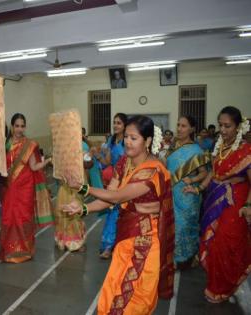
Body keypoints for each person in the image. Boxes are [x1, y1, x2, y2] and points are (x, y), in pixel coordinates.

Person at [62, 115, 174, 315]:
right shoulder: (124, 162)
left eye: (134, 138)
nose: (128, 142)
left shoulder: (153, 171)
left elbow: (116, 196)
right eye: (127, 137)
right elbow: (109, 198)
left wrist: (82, 188)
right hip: (126, 235)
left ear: (147, 141)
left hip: (145, 241)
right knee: (113, 290)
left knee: (134, 299)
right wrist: (84, 209)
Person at [185, 106, 250, 303]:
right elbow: (214, 173)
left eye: (227, 126)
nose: (222, 130)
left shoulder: (246, 150)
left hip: (236, 200)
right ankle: (215, 284)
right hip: (214, 198)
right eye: (220, 125)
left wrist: (248, 205)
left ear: (238, 127)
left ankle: (229, 284)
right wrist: (198, 188)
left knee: (227, 241)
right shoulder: (219, 146)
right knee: (212, 242)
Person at [0, 113, 52, 263]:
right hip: (9, 186)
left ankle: (25, 250)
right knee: (10, 215)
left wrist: (47, 160)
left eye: (22, 126)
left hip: (25, 187)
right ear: (12, 126)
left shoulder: (30, 144)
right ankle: (10, 250)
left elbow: (34, 166)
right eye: (17, 126)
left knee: (24, 216)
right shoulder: (5, 144)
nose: (20, 129)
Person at [166, 116, 209, 269]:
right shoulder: (172, 147)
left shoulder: (197, 150)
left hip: (187, 194)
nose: (179, 128)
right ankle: (175, 257)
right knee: (173, 225)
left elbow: (205, 173)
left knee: (185, 226)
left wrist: (192, 180)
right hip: (171, 193)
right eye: (178, 125)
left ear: (191, 129)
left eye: (183, 126)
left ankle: (187, 256)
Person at [100, 113, 128, 259]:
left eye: (119, 123)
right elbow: (107, 162)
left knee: (122, 215)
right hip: (114, 183)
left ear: (125, 126)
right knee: (112, 214)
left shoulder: (128, 142)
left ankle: (118, 246)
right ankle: (109, 246)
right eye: (114, 122)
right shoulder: (112, 141)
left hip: (126, 183)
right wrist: (98, 156)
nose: (115, 125)